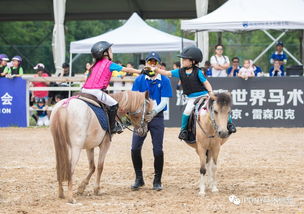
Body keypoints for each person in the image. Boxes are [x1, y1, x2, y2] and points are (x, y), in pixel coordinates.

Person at [152, 46, 236, 140]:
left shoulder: (198, 72)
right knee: (187, 111)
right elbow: (167, 73)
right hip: (192, 99)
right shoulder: (179, 71)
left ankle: (229, 124)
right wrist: (157, 70)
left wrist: (210, 92)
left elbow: (206, 82)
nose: (182, 61)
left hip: (204, 95)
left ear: (192, 61)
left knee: (220, 107)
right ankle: (183, 130)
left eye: (184, 59)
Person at [131, 51, 172, 191]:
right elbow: (135, 98)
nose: (152, 65)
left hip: (157, 117)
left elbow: (164, 101)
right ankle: (139, 178)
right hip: (141, 117)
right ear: (146, 64)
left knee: (158, 150)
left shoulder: (165, 80)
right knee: (135, 148)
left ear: (159, 65)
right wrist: (140, 115)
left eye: (155, 62)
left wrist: (153, 112)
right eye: (150, 62)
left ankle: (157, 180)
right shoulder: (139, 79)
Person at [81, 41, 143, 134]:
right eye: (110, 50)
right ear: (105, 53)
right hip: (96, 92)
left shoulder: (94, 65)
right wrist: (140, 71)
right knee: (114, 104)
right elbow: (127, 69)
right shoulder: (109, 64)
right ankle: (112, 126)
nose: (111, 51)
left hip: (84, 90)